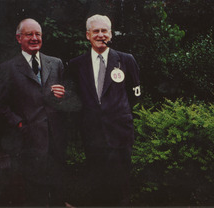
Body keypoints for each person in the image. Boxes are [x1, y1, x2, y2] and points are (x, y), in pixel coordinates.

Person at [0, 18, 72, 206]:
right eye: (29, 34)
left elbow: (68, 99)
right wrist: (19, 124)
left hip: (56, 141)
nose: (35, 38)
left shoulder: (56, 63)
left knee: (57, 193)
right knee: (33, 195)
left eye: (38, 34)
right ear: (18, 38)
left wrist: (64, 96)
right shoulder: (8, 68)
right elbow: (0, 106)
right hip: (27, 142)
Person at [68, 14, 141, 206]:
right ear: (88, 35)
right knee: (97, 182)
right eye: (96, 31)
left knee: (121, 184)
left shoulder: (126, 60)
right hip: (92, 133)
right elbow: (75, 96)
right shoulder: (76, 65)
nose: (100, 35)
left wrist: (116, 112)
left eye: (104, 31)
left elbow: (135, 94)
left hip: (119, 132)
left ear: (111, 34)